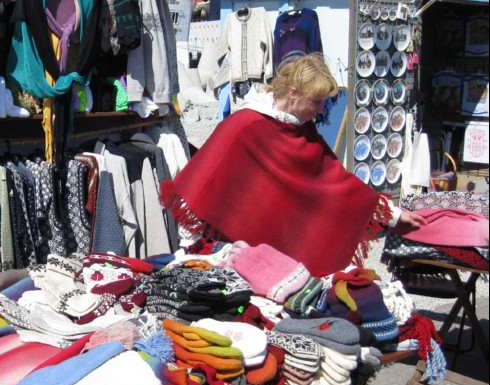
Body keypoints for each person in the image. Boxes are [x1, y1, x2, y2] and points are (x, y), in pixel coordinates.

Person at [160, 53, 426, 278]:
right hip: (226, 254)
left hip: (267, 259)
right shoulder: (245, 125)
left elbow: (335, 180)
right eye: (316, 102)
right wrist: (191, 250)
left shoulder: (302, 129)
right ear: (293, 93)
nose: (321, 110)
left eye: (323, 102)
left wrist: (391, 214)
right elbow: (202, 184)